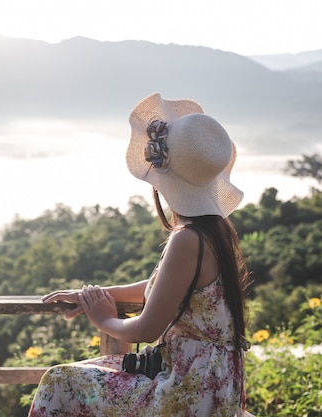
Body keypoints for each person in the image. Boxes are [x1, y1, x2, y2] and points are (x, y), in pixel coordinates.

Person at [27, 92, 252, 417]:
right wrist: (96, 296)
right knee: (83, 374)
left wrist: (103, 319)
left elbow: (146, 330)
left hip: (184, 390)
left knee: (59, 381)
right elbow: (162, 288)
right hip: (215, 384)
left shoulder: (187, 239)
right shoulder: (217, 232)